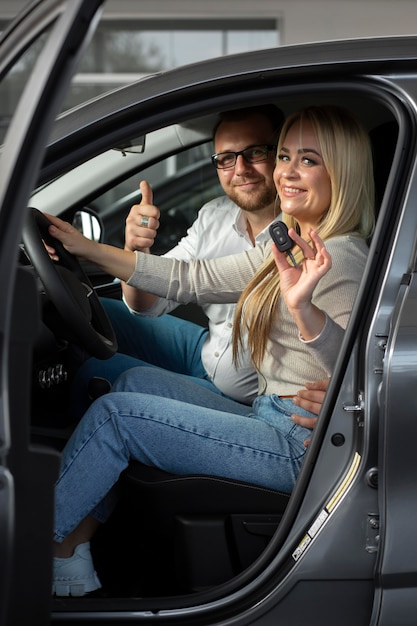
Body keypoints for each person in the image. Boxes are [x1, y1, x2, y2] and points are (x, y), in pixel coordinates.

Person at [48, 104, 375, 596]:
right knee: (134, 382)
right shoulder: (295, 244)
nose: (287, 171)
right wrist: (88, 249)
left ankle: (37, 549)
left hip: (297, 447)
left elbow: (362, 374)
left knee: (117, 416)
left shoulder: (342, 255)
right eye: (285, 155)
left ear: (343, 172)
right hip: (269, 413)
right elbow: (192, 278)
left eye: (307, 160)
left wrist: (315, 330)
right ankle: (72, 552)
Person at [70, 105, 284, 417]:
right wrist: (136, 250)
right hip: (208, 354)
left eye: (255, 152)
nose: (240, 169)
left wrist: (87, 248)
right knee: (90, 310)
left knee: (99, 372)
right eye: (226, 158)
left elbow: (184, 280)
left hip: (245, 402)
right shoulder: (215, 216)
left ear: (282, 154)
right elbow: (147, 302)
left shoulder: (299, 233)